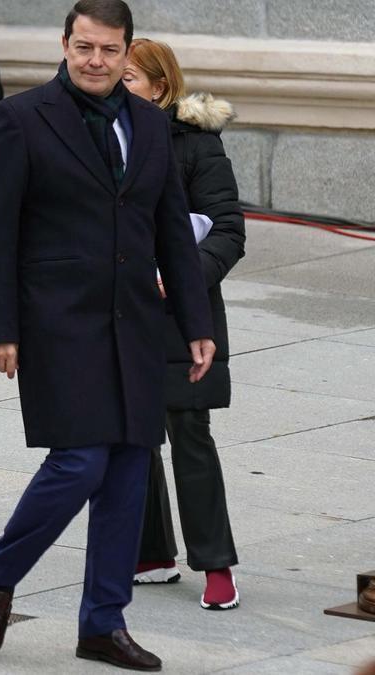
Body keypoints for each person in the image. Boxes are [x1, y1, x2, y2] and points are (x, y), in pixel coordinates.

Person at [0, 1, 216, 671]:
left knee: (128, 471)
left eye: (109, 50)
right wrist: (0, 327)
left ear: (127, 51)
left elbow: (170, 230)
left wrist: (195, 322)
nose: (95, 60)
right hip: (56, 322)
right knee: (80, 461)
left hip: (135, 321)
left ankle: (102, 623)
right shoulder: (21, 119)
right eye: (84, 47)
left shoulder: (150, 125)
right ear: (65, 44)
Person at [122, 37, 245, 611]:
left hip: (181, 310)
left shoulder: (197, 147)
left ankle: (216, 564)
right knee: (132, 433)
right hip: (120, 307)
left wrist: (181, 275)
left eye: (128, 78)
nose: (114, 84)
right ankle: (151, 552)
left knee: (189, 431)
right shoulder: (98, 139)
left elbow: (227, 231)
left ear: (159, 87)